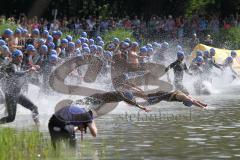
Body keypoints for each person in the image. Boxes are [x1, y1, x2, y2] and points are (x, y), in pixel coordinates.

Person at [0, 49, 39, 125]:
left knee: (34, 108)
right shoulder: (10, 65)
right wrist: (28, 71)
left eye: (21, 56)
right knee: (11, 118)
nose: (21, 58)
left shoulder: (18, 65)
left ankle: (38, 126)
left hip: (19, 94)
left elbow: (21, 75)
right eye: (19, 57)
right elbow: (15, 73)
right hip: (11, 95)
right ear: (14, 57)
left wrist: (32, 70)